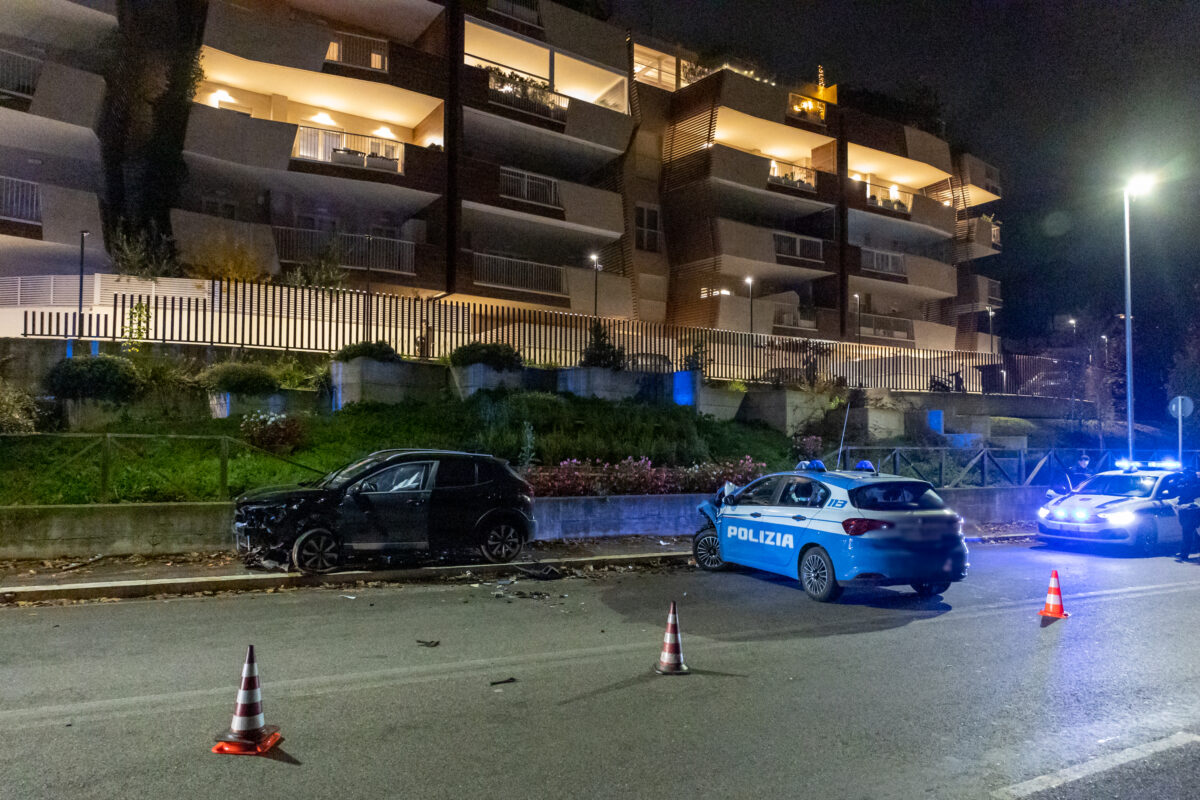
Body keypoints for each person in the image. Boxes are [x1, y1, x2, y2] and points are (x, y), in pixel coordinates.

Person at [1176, 476, 1200, 562]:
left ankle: (1184, 554)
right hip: (1189, 512)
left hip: (1193, 512)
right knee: (1188, 533)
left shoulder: (1195, 488)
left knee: (1187, 533)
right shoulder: (1192, 487)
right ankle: (1184, 553)